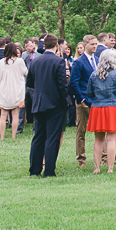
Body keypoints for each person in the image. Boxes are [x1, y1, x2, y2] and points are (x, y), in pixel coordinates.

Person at [26, 35, 68, 177]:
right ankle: (49, 170)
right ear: (56, 44)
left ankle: (34, 169)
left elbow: (30, 83)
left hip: (38, 102)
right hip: (54, 104)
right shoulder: (59, 61)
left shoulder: (35, 61)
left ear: (43, 46)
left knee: (38, 136)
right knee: (52, 137)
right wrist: (65, 101)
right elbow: (62, 85)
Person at [84, 48, 116, 173]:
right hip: (113, 107)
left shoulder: (94, 75)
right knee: (111, 139)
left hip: (97, 107)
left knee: (98, 139)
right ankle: (110, 167)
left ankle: (96, 167)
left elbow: (89, 93)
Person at [69, 35, 98, 166]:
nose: (95, 46)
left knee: (100, 128)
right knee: (81, 129)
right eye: (92, 44)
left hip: (97, 100)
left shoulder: (97, 60)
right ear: (85, 45)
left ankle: (103, 156)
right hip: (84, 100)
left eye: (96, 44)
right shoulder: (79, 62)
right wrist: (81, 99)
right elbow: (73, 83)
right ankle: (81, 157)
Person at [0, 41, 28, 138]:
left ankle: (2, 136)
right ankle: (13, 135)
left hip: (4, 89)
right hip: (16, 89)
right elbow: (26, 73)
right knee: (15, 114)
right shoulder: (19, 61)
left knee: (3, 115)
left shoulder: (1, 62)